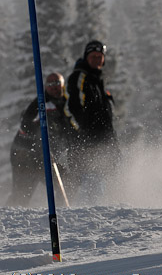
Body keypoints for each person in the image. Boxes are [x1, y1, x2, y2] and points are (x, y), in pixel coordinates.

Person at [64, 40, 120, 199]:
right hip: (85, 145)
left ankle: (100, 216)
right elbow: (70, 108)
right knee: (88, 187)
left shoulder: (98, 80)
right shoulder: (79, 77)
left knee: (104, 183)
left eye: (99, 57)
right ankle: (82, 218)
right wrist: (83, 137)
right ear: (86, 58)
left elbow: (105, 119)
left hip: (104, 143)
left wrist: (112, 142)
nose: (97, 60)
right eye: (93, 56)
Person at [7, 73, 72, 206]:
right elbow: (26, 125)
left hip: (45, 155)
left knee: (66, 179)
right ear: (46, 87)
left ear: (62, 85)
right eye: (50, 84)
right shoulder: (41, 103)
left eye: (57, 84)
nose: (54, 87)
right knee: (22, 192)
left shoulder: (66, 103)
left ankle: (62, 212)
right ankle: (8, 217)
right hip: (25, 153)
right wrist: (40, 138)